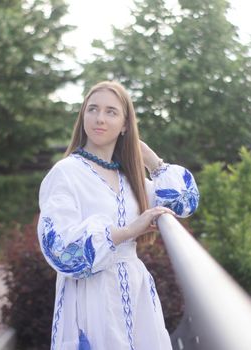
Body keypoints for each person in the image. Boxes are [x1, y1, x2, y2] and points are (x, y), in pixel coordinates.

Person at [37, 81, 199, 350]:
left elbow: (184, 202)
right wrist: (129, 231)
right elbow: (60, 248)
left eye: (111, 112)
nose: (100, 118)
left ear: (125, 124)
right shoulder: (65, 173)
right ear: (83, 116)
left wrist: (151, 160)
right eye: (93, 109)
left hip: (135, 294)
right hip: (91, 299)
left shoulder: (130, 179)